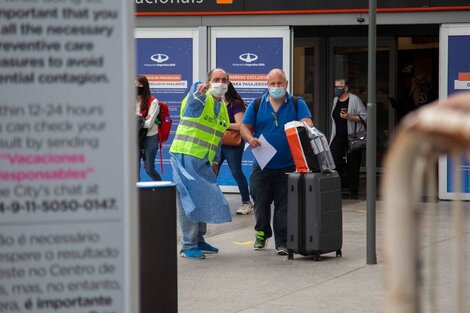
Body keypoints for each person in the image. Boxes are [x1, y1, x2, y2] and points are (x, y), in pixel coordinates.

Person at [240, 68, 313, 255]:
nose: (276, 87)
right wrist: (249, 139)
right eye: (272, 84)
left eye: (280, 83)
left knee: (284, 206)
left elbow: (308, 123)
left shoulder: (297, 103)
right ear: (267, 85)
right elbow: (244, 127)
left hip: (288, 165)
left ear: (286, 84)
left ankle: (282, 242)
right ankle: (262, 233)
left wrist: (304, 126)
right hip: (262, 165)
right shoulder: (257, 104)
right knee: (260, 202)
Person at [170, 68, 232, 260]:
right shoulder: (199, 98)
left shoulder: (221, 106)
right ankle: (188, 245)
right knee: (188, 200)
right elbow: (192, 107)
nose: (220, 83)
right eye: (216, 79)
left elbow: (218, 136)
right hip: (185, 155)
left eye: (224, 80)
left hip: (204, 159)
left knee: (203, 197)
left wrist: (214, 160)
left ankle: (199, 239)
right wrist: (197, 95)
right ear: (208, 81)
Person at [217, 82, 254, 215]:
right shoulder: (217, 103)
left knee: (236, 172)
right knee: (211, 172)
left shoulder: (236, 104)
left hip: (232, 144)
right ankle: (213, 201)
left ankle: (246, 202)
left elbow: (241, 125)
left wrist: (223, 125)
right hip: (218, 143)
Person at [329, 78, 367, 199]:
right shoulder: (336, 100)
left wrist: (349, 117)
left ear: (346, 88)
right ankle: (338, 186)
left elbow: (365, 116)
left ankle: (352, 189)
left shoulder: (354, 99)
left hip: (352, 136)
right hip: (338, 135)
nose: (337, 89)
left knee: (353, 163)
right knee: (334, 160)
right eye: (335, 86)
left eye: (339, 87)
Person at [136, 75, 162, 181]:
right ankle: (136, 194)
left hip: (150, 137)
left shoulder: (153, 102)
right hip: (135, 138)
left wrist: (137, 120)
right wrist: (142, 119)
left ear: (144, 85)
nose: (136, 86)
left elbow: (149, 124)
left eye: (139, 84)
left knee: (149, 168)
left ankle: (160, 189)